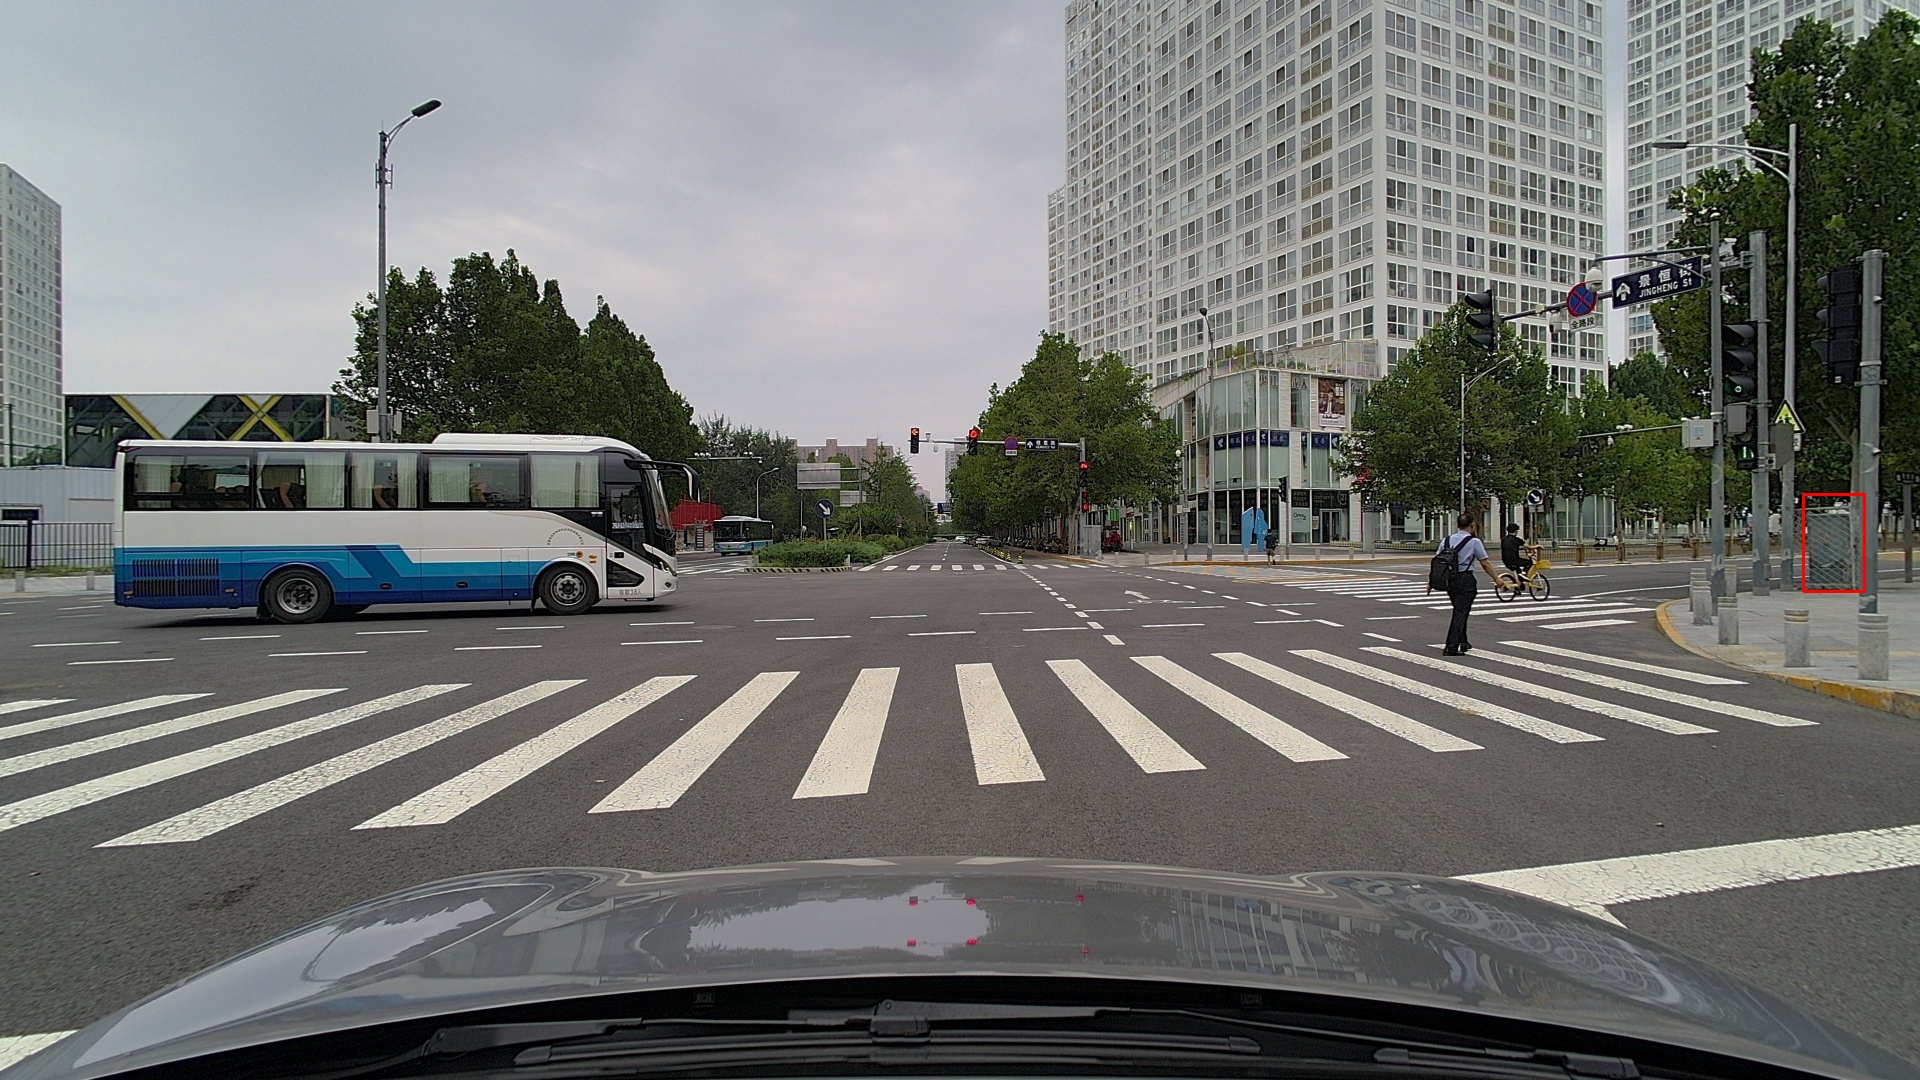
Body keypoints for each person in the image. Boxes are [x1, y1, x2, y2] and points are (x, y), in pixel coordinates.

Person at [1431, 512, 1498, 656]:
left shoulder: (1446, 540)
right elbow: (1485, 563)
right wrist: (1497, 579)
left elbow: (1438, 561)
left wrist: (1431, 582)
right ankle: (1451, 646)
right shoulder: (1474, 542)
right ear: (1472, 526)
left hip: (1450, 580)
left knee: (1459, 610)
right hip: (1465, 579)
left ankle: (1463, 641)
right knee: (1461, 613)